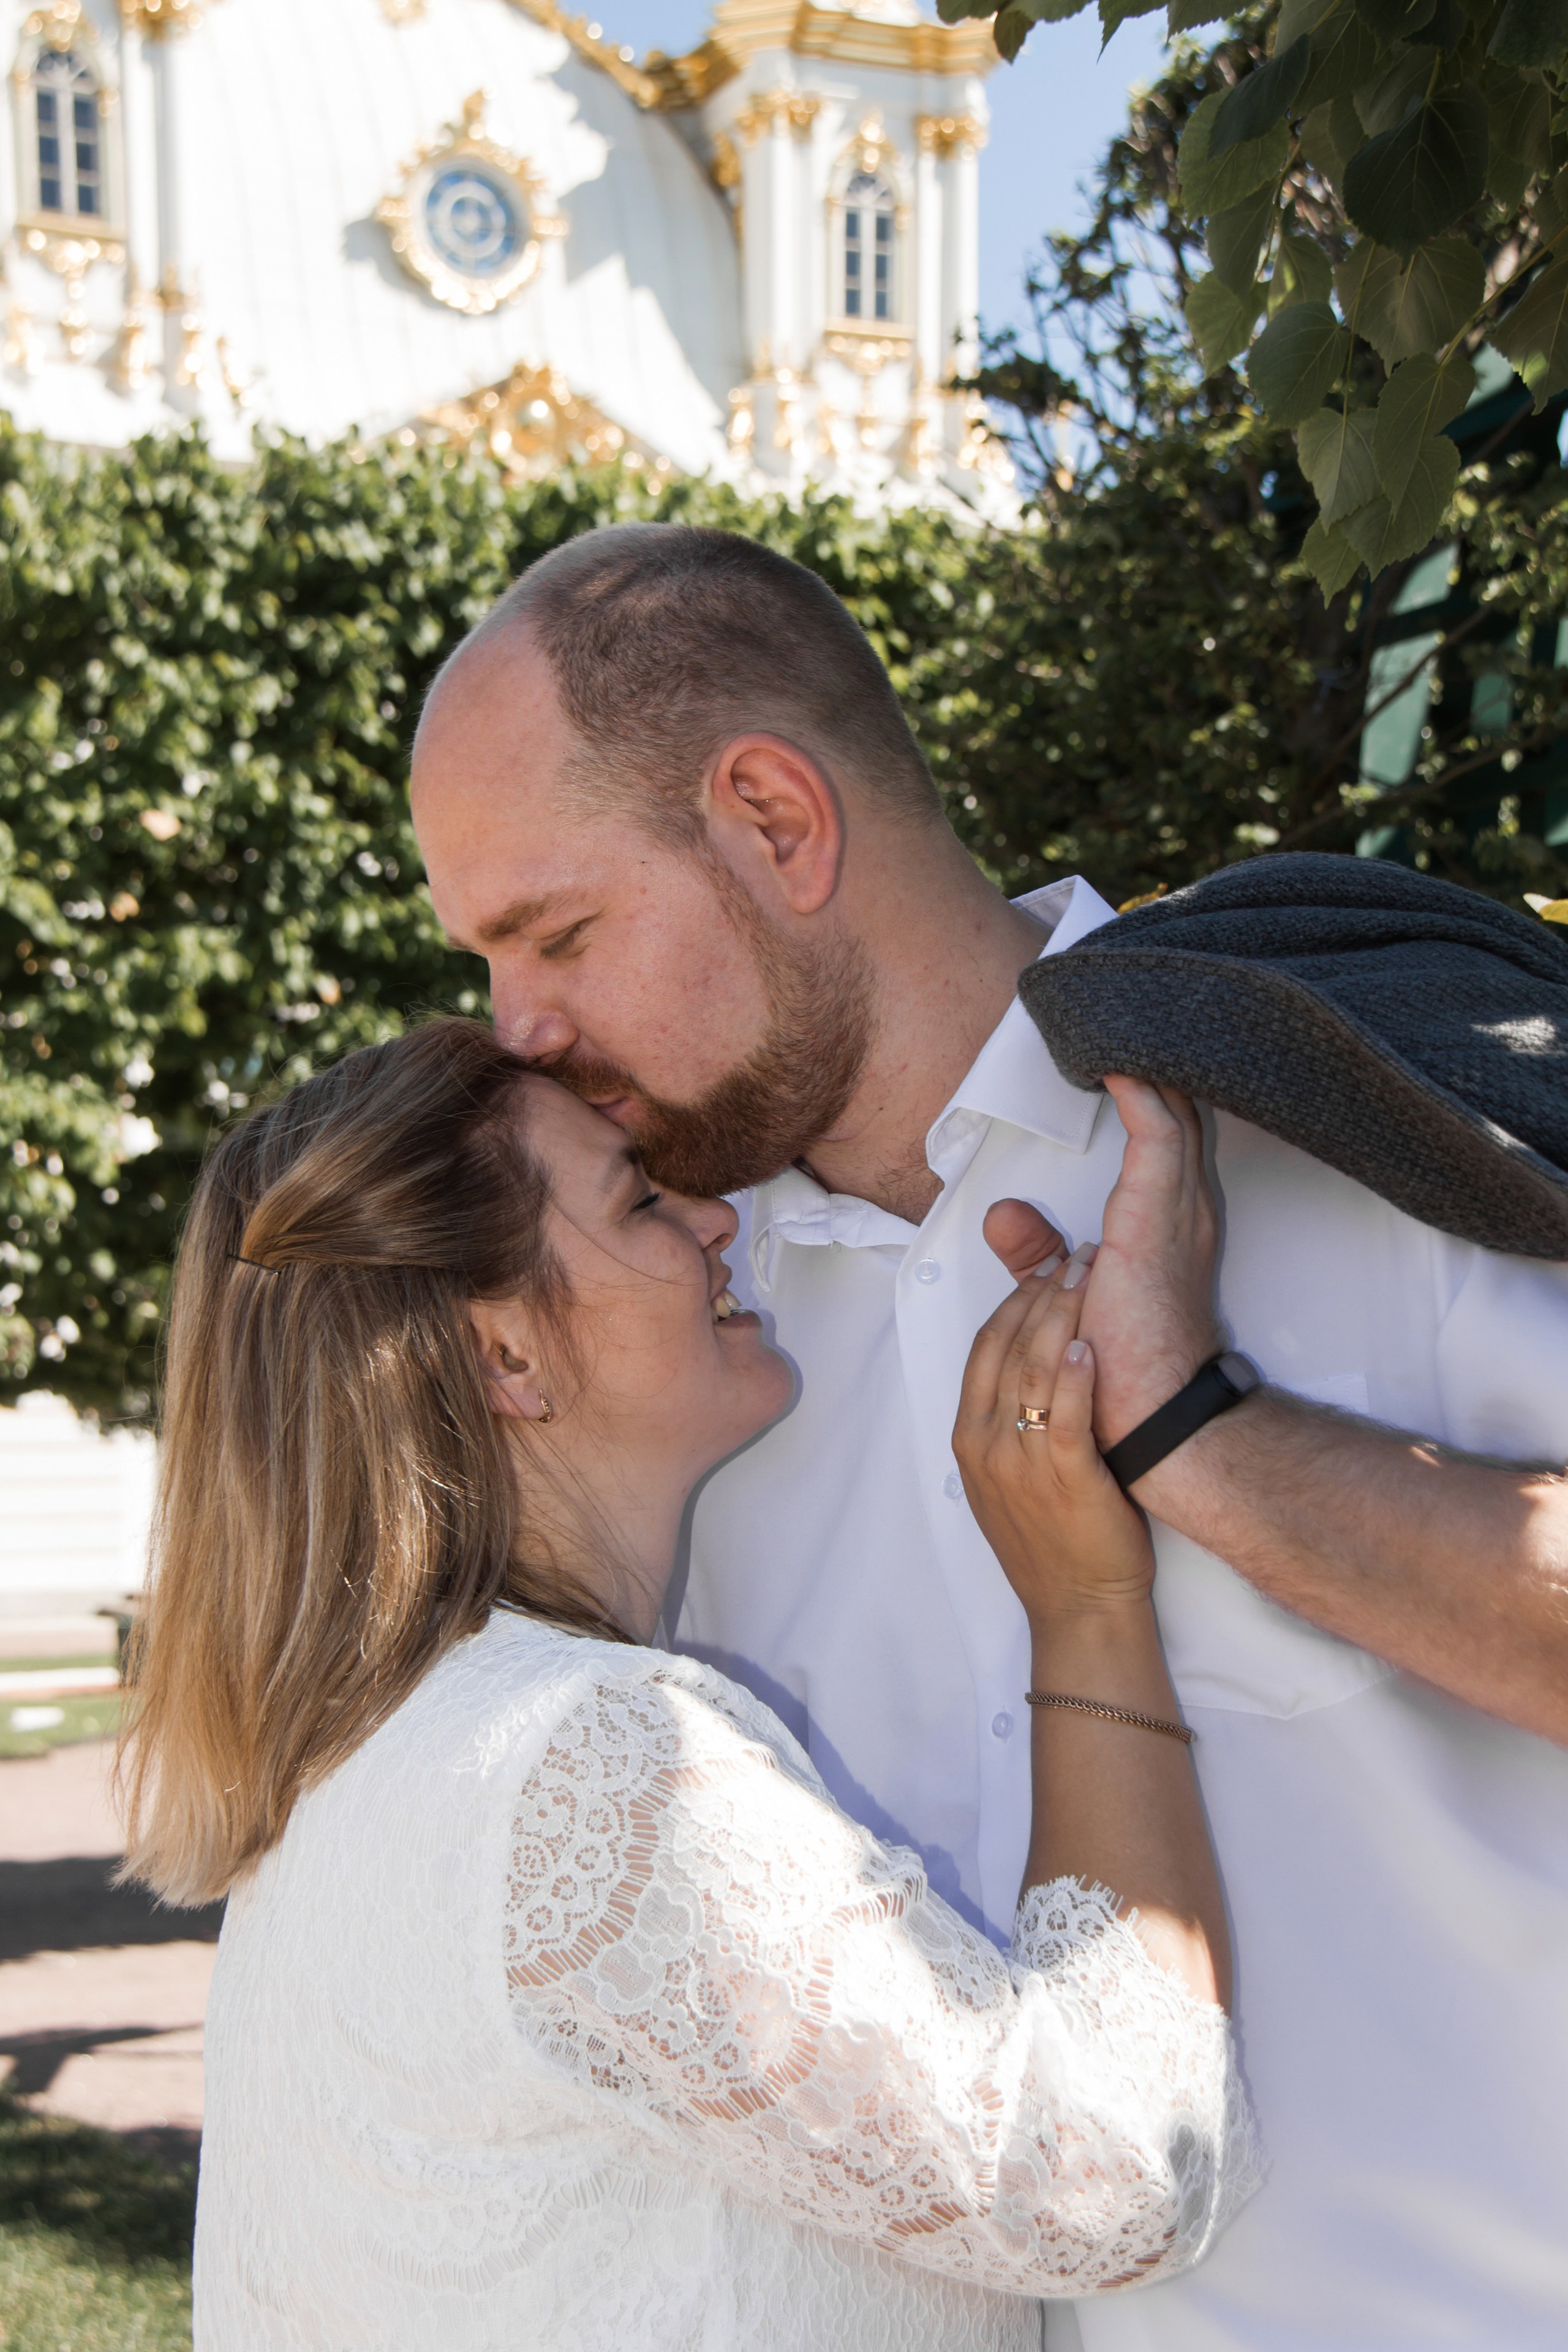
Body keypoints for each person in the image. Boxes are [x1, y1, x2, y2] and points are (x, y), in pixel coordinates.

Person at [410, 522, 1568, 2352]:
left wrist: (1213, 1445)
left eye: (554, 932)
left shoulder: (1333, 1108)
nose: (519, 1028)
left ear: (779, 824)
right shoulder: (671, 1343)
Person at [121, 1019, 1256, 2350]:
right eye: (639, 1199)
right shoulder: (592, 1762)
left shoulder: (371, 1755)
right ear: (506, 1360)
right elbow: (1116, 2177)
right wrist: (1088, 1606)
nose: (716, 1221)